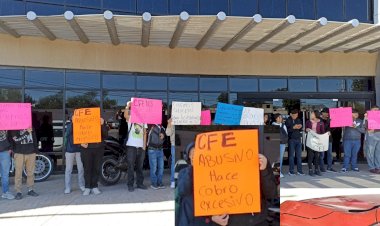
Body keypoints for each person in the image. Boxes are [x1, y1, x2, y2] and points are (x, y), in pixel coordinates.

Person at [176, 143, 276, 226]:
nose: (196, 156)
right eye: (192, 154)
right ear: (188, 157)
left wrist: (264, 171)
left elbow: (271, 193)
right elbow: (201, 199)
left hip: (257, 221)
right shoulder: (193, 172)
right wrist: (211, 218)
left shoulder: (261, 163)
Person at [124, 101, 148, 192]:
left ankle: (140, 183)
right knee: (130, 166)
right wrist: (127, 106)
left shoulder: (143, 119)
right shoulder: (131, 118)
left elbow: (145, 133)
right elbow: (125, 115)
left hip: (141, 147)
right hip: (131, 146)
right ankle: (130, 185)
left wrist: (144, 146)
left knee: (140, 166)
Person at [80, 117, 108, 195]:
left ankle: (95, 186)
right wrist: (80, 143)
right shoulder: (82, 120)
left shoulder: (101, 120)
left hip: (98, 148)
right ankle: (87, 187)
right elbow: (75, 133)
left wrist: (102, 124)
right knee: (87, 168)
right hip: (86, 149)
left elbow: (105, 135)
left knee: (96, 168)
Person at [10, 128, 39, 200]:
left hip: (31, 152)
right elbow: (16, 141)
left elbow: (34, 139)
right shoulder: (14, 128)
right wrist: (26, 132)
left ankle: (30, 189)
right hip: (19, 153)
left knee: (31, 172)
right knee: (18, 173)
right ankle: (18, 191)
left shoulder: (30, 126)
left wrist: (36, 150)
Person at [64, 115, 85, 194]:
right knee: (69, 169)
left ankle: (81, 185)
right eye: (74, 118)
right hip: (70, 150)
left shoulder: (81, 126)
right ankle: (67, 187)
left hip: (79, 149)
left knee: (81, 169)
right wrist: (73, 124)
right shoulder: (69, 126)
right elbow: (68, 133)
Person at [305, 110, 326, 176]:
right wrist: (306, 129)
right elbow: (305, 129)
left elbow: (322, 132)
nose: (311, 114)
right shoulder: (308, 121)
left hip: (317, 141)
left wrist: (326, 135)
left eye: (312, 113)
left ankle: (317, 169)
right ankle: (310, 170)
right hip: (310, 140)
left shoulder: (321, 122)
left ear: (315, 114)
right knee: (310, 156)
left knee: (317, 156)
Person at [285, 109, 304, 176]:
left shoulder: (298, 120)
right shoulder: (288, 120)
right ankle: (291, 171)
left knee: (299, 156)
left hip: (298, 139)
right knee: (291, 156)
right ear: (291, 114)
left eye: (296, 115)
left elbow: (301, 128)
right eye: (294, 115)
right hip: (291, 140)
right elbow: (286, 130)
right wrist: (293, 127)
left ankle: (299, 170)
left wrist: (300, 127)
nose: (295, 116)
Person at [147, 124, 166, 190]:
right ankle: (154, 183)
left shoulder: (162, 127)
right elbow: (147, 136)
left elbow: (164, 137)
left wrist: (163, 136)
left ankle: (159, 182)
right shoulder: (150, 126)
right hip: (152, 149)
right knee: (154, 168)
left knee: (161, 167)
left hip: (160, 150)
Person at [364, 106, 380, 174]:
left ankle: (378, 167)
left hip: (379, 135)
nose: (376, 111)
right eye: (374, 109)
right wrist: (366, 119)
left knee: (378, 152)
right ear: (371, 110)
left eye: (377, 110)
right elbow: (364, 127)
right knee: (370, 152)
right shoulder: (367, 116)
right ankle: (371, 167)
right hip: (371, 135)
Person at [320, 108, 337, 172]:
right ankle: (322, 168)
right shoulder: (320, 120)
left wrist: (334, 123)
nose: (327, 114)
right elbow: (322, 129)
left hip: (329, 139)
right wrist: (328, 122)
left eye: (328, 113)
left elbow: (332, 129)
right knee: (322, 154)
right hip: (322, 139)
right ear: (322, 113)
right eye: (326, 112)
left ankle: (329, 167)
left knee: (330, 154)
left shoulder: (329, 120)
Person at [0, 130, 15, 200]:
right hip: (5, 152)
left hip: (5, 151)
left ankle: (6, 192)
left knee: (5, 174)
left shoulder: (6, 124)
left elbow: (10, 137)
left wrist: (11, 148)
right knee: (5, 174)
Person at [272, 113, 287, 178]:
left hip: (282, 144)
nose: (281, 118)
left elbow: (286, 134)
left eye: (281, 117)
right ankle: (275, 171)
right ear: (276, 118)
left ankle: (279, 172)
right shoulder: (273, 125)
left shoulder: (283, 125)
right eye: (279, 117)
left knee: (280, 158)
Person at [166, 118, 176, 188]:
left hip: (185, 143)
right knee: (174, 163)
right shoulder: (173, 121)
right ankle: (173, 181)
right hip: (174, 145)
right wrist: (169, 124)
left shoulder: (187, 119)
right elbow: (167, 133)